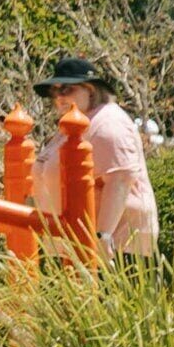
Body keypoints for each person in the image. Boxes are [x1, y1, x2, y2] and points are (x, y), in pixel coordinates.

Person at [38, 53, 160, 259]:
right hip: (71, 247)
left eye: (67, 89)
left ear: (91, 90)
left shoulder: (108, 122)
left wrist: (103, 237)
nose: (59, 98)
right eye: (54, 91)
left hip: (116, 248)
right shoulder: (72, 124)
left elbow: (120, 180)